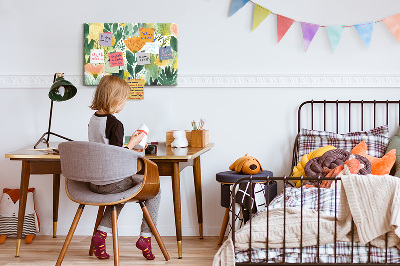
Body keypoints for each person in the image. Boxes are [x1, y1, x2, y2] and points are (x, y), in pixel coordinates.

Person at [88, 75, 161, 260]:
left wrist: (130, 146)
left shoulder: (93, 120)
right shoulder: (115, 124)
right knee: (154, 189)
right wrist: (134, 143)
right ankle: (146, 237)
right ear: (115, 99)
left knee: (119, 194)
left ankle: (101, 235)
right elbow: (117, 157)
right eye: (124, 99)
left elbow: (106, 150)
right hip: (111, 182)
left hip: (94, 182)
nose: (124, 103)